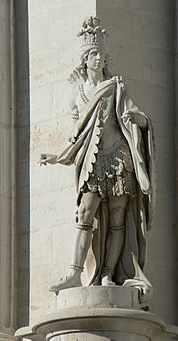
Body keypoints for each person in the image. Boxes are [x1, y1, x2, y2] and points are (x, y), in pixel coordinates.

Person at [40, 17, 155, 301]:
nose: (99, 58)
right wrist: (58, 157)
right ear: (85, 59)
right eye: (94, 55)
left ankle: (107, 271)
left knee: (117, 219)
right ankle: (74, 271)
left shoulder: (116, 86)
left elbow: (137, 117)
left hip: (119, 160)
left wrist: (139, 119)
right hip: (93, 160)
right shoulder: (77, 95)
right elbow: (77, 136)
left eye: (102, 55)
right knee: (84, 214)